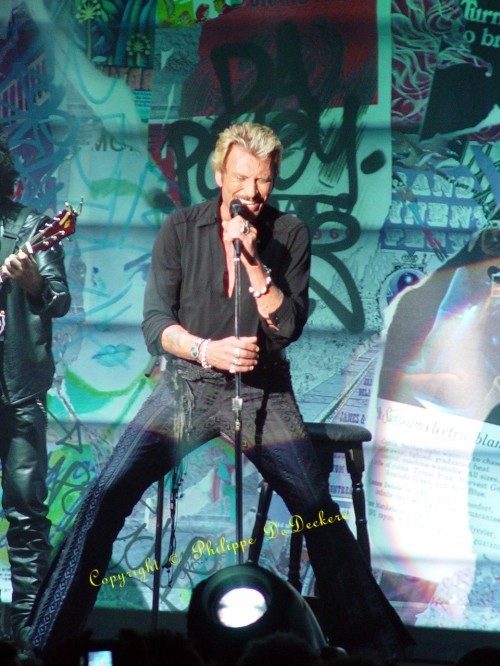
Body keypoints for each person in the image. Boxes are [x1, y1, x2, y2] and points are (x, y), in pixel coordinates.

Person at [27, 122, 413, 663]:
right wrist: (208, 351)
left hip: (261, 394)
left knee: (317, 510)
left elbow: (288, 325)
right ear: (218, 175)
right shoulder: (181, 229)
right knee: (105, 498)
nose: (251, 192)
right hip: (186, 389)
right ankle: (42, 642)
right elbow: (156, 324)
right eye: (241, 177)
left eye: (263, 180)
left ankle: (377, 649)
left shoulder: (289, 234)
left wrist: (252, 259)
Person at [0, 136, 71, 652]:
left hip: (17, 390)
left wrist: (30, 283)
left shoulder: (31, 228)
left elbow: (59, 299)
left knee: (26, 513)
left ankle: (29, 634)